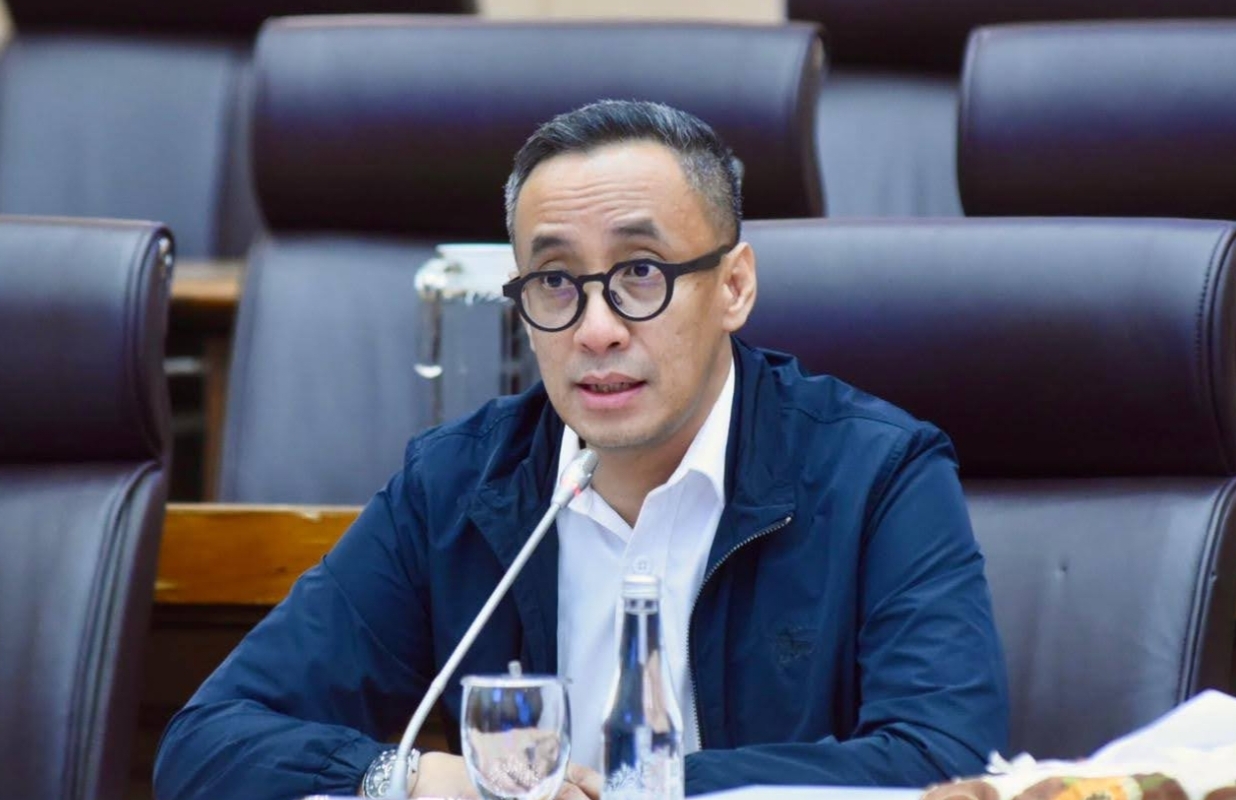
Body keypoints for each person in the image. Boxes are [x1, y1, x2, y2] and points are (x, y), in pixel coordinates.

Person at [154, 100, 1008, 800]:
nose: (596, 330)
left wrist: (645, 791)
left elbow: (946, 759)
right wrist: (411, 780)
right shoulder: (457, 486)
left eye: (641, 274)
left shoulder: (878, 475)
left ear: (734, 285)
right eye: (556, 282)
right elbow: (207, 745)